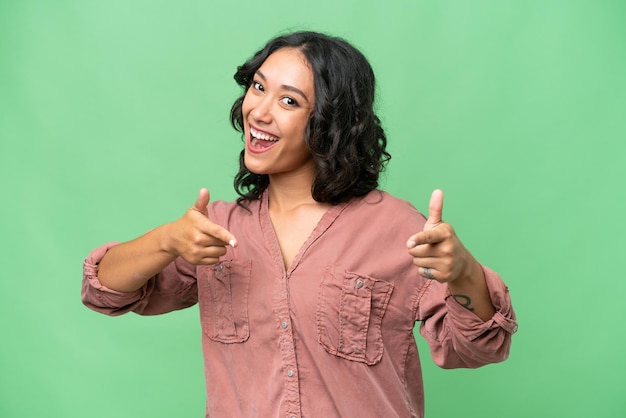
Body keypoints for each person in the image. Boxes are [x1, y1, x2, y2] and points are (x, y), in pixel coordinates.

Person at [82, 31, 517, 418]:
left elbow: (479, 347)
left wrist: (463, 273)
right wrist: (167, 238)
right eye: (258, 88)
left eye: (289, 101)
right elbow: (103, 289)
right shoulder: (214, 229)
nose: (260, 112)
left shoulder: (397, 229)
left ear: (330, 123)